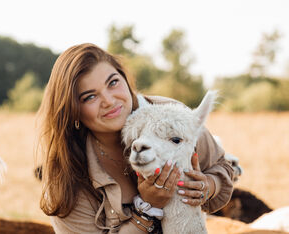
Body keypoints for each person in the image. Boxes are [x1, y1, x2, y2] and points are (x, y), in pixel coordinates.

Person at [37, 43, 234, 233]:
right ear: (73, 111)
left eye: (113, 83)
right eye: (90, 97)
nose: (109, 101)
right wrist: (148, 209)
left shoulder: (173, 117)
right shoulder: (66, 181)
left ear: (125, 79)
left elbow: (220, 166)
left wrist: (206, 186)